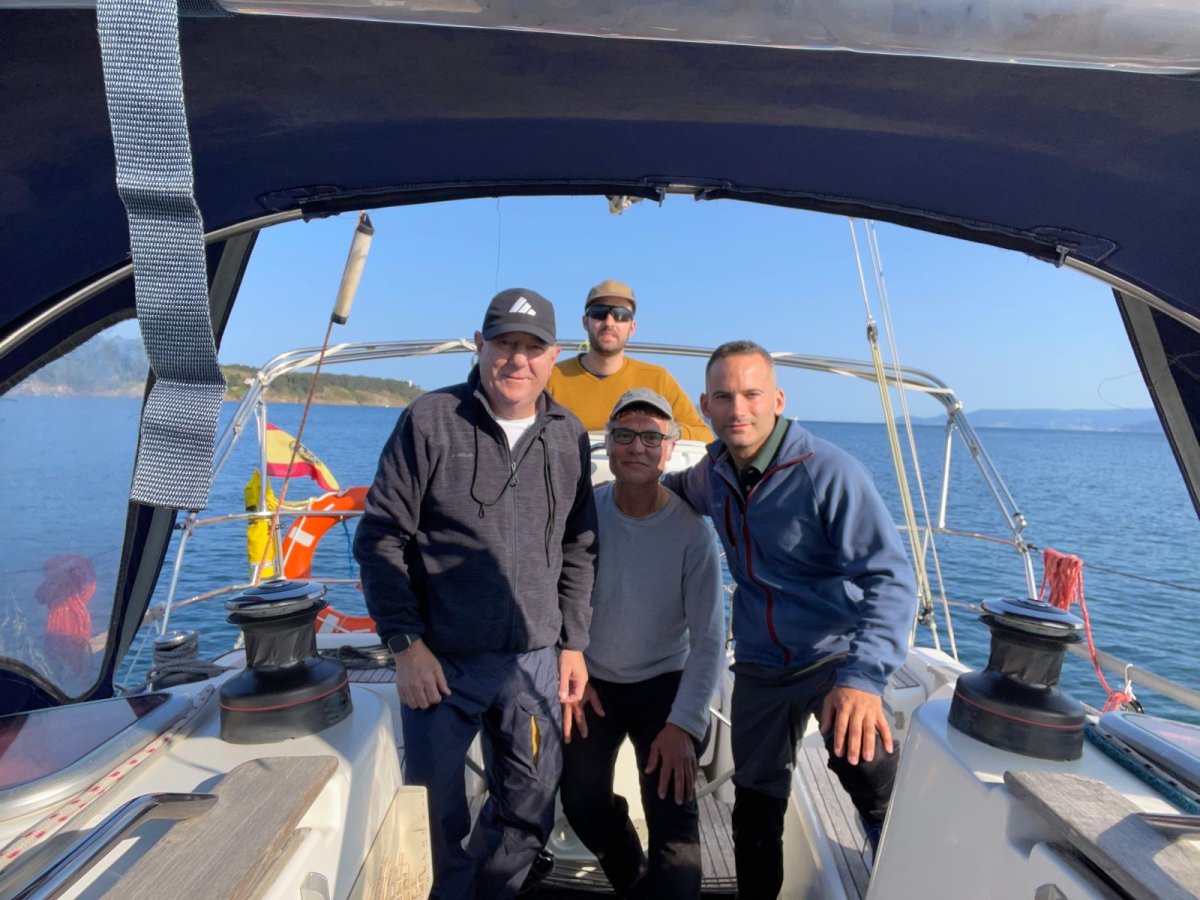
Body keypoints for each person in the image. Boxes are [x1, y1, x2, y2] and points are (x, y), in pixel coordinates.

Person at [353, 287, 599, 900]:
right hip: (442, 660)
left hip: (534, 661)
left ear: (554, 355)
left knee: (531, 806)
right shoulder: (430, 419)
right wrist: (405, 645)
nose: (518, 361)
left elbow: (579, 546)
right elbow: (380, 537)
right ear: (479, 344)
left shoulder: (568, 434)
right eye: (505, 344)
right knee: (435, 815)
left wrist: (574, 644)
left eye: (533, 347)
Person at [662, 340, 917, 900]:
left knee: (869, 771)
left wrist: (864, 678)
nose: (739, 409)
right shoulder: (712, 475)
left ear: (777, 399)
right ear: (705, 405)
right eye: (724, 397)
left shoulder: (827, 472)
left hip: (831, 656)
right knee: (754, 807)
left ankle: (905, 878)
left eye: (752, 394)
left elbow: (892, 578)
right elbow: (664, 492)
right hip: (758, 664)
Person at [560, 388, 724, 899]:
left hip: (665, 690)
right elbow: (553, 598)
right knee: (582, 804)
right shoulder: (582, 513)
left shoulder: (693, 534)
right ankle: (633, 879)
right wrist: (569, 667)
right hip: (594, 683)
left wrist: (684, 723)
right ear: (607, 444)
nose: (637, 445)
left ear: (670, 449)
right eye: (625, 434)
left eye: (651, 436)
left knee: (676, 840)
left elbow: (711, 640)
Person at [547, 279, 713, 441]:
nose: (609, 322)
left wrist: (661, 431)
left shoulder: (659, 379)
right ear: (585, 322)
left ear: (632, 327)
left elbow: (703, 435)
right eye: (599, 313)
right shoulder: (550, 378)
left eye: (621, 315)